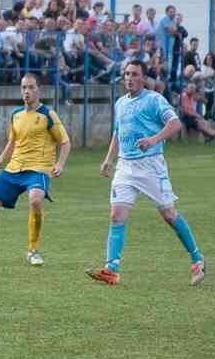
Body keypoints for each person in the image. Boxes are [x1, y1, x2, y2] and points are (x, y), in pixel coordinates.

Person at [87, 60, 206, 286]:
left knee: (169, 215)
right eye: (126, 74)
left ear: (143, 78)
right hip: (125, 166)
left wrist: (153, 140)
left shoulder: (154, 99)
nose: (129, 78)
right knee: (116, 215)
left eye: (134, 74)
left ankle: (197, 258)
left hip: (151, 166)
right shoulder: (120, 103)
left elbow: (175, 124)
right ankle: (112, 269)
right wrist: (108, 159)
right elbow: (118, 132)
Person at [0, 73, 71, 267]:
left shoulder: (48, 115)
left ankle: (33, 251)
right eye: (23, 87)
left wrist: (60, 164)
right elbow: (13, 141)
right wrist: (1, 159)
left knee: (35, 200)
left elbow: (65, 142)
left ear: (39, 90)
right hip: (14, 168)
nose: (26, 91)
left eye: (31, 87)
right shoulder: (16, 114)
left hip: (38, 168)